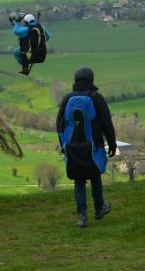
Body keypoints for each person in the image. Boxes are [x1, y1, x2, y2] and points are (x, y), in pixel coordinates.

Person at [56, 66, 116, 228]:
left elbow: (60, 124)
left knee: (79, 181)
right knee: (95, 176)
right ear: (92, 80)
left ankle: (82, 216)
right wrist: (112, 143)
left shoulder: (67, 99)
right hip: (92, 146)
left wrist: (64, 145)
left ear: (75, 81)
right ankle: (99, 209)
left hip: (72, 148)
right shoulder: (96, 97)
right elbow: (106, 124)